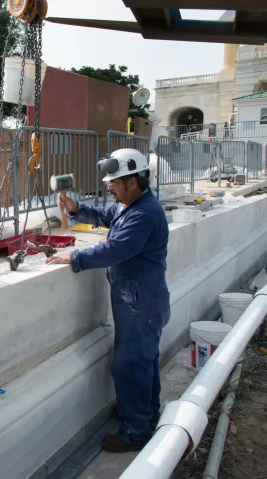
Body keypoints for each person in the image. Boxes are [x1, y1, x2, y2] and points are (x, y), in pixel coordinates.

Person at [46, 148, 170, 453]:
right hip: (140, 297)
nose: (109, 188)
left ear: (133, 180)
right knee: (145, 360)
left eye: (114, 183)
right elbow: (104, 216)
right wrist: (76, 208)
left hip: (140, 301)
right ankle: (143, 414)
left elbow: (115, 249)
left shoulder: (145, 213)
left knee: (130, 364)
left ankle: (135, 431)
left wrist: (75, 257)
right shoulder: (130, 206)